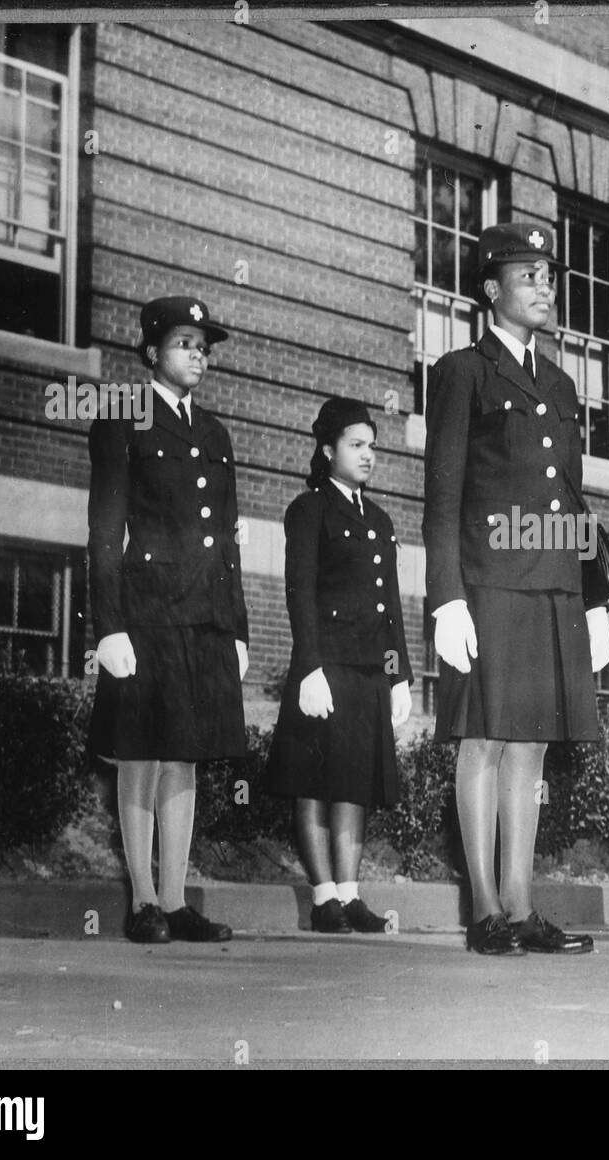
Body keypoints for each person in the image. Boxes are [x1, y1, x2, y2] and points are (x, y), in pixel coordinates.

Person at [423, 222, 609, 955]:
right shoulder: (462, 372)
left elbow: (571, 495)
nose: (545, 287)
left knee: (530, 746)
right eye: (528, 275)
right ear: (490, 289)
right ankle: (484, 913)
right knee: (485, 741)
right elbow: (443, 494)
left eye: (549, 276)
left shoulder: (562, 385)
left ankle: (522, 906)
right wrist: (445, 596)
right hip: (489, 582)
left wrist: (595, 591)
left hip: (552, 585)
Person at [88, 296, 249, 944]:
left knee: (185, 756)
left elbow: (228, 541)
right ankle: (143, 902)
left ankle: (178, 900)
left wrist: (236, 626)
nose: (197, 355)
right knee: (142, 753)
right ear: (152, 351)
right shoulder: (122, 417)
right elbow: (104, 530)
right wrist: (107, 625)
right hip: (146, 613)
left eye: (202, 346)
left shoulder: (214, 434)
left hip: (203, 616)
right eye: (184, 343)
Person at [265, 398, 413, 933]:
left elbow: (391, 608)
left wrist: (398, 676)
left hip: (369, 671)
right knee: (314, 781)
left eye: (372, 445)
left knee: (354, 783)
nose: (368, 455)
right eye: (356, 445)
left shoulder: (378, 519)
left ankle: (350, 895)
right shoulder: (309, 511)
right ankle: (323, 896)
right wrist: (308, 668)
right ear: (328, 450)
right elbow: (299, 593)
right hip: (324, 670)